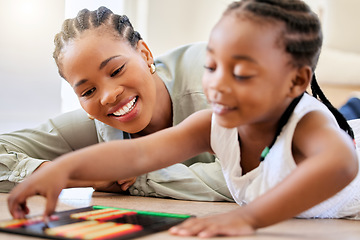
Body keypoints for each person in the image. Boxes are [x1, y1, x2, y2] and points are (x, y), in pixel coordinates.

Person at [7, 0, 360, 237]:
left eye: (240, 72)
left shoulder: (307, 122)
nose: (218, 84)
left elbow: (342, 164)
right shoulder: (211, 126)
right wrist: (63, 169)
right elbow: (138, 156)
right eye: (210, 67)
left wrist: (248, 217)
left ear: (296, 82)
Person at [0, 7, 232, 202]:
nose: (108, 96)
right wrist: (75, 176)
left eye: (117, 70)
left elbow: (251, 173)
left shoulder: (215, 80)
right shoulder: (97, 121)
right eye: (88, 91)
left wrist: (136, 178)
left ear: (144, 54)